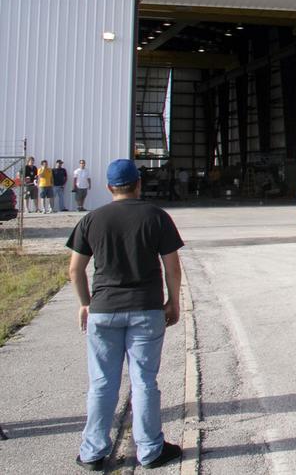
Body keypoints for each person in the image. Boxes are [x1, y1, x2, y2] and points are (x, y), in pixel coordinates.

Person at [66, 159, 184, 470]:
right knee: (144, 381)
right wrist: (174, 301)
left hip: (104, 311)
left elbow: (75, 270)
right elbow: (172, 266)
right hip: (146, 309)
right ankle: (150, 451)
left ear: (108, 187)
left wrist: (85, 303)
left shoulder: (92, 220)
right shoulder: (156, 217)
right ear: (138, 184)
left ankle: (92, 452)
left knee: (102, 383)